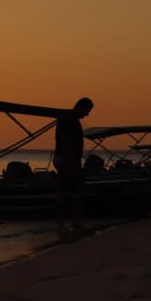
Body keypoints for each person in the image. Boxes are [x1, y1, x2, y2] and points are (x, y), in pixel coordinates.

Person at [54, 96, 94, 239]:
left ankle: (72, 223)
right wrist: (72, 162)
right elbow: (65, 141)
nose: (87, 114)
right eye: (87, 110)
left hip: (68, 160)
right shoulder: (68, 119)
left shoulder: (73, 119)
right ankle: (66, 225)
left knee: (73, 190)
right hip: (66, 160)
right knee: (66, 192)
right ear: (80, 107)